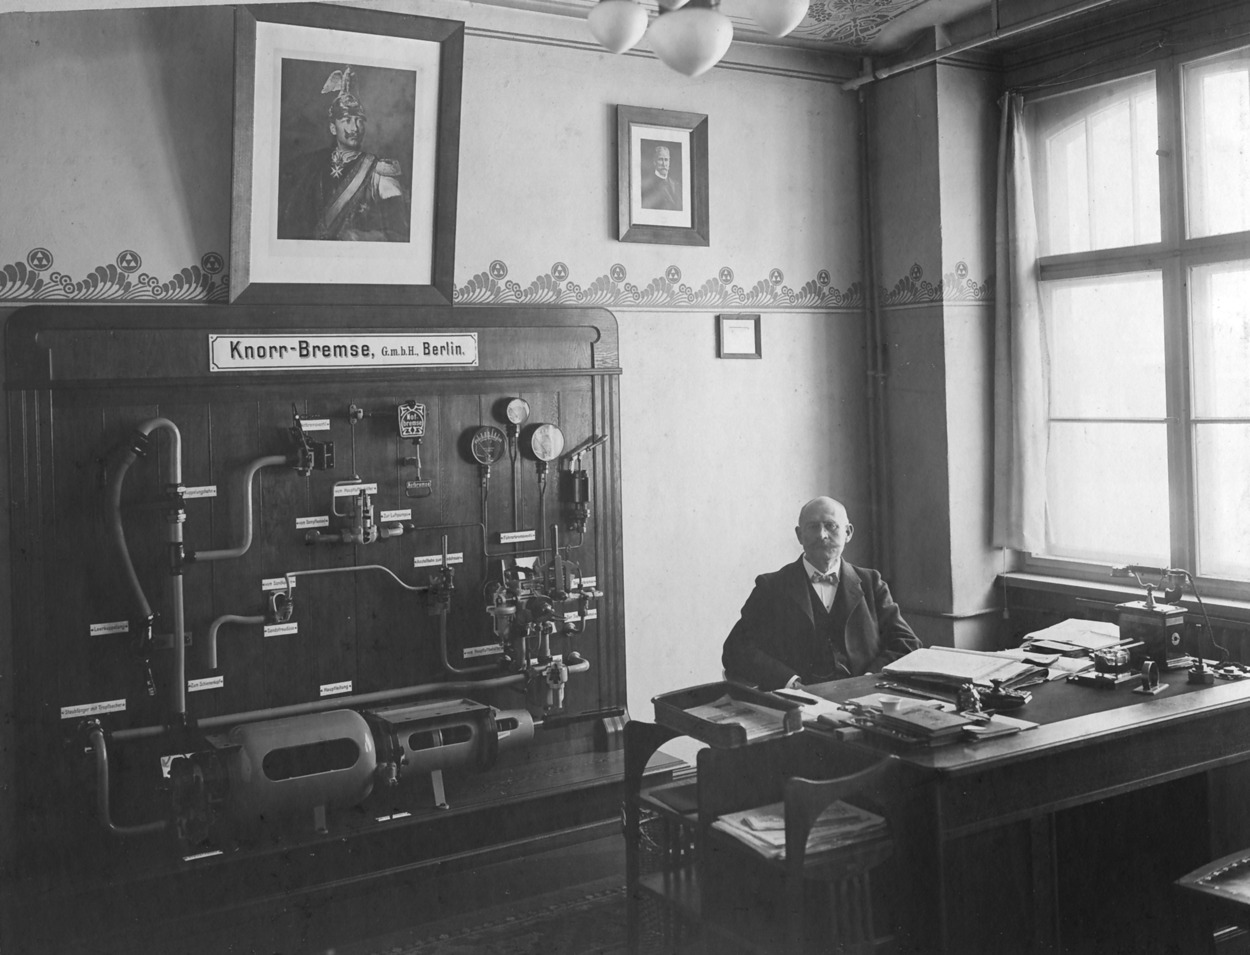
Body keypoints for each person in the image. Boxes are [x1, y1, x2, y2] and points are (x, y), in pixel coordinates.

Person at [722, 496, 921, 690]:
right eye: (812, 527)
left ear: (848, 532)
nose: (822, 535)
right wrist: (789, 682)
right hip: (797, 700)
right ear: (799, 535)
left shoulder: (871, 583)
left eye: (831, 526)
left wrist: (869, 679)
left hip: (863, 699)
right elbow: (735, 649)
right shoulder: (771, 587)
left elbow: (907, 643)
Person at [277, 65, 410, 242]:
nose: (355, 128)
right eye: (347, 120)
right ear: (333, 128)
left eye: (359, 121)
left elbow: (400, 234)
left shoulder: (378, 173)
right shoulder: (312, 166)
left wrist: (360, 237)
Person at [640, 144, 681, 211]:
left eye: (666, 160)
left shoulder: (676, 185)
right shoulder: (648, 185)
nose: (664, 164)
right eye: (660, 159)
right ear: (654, 162)